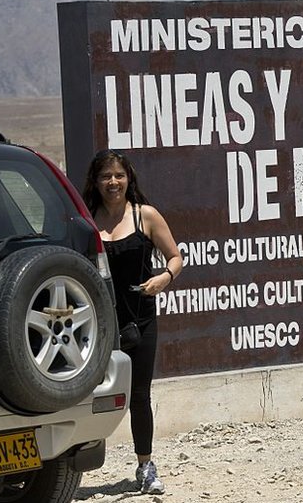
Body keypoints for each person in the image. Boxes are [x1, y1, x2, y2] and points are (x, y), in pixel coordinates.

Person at [82, 149, 183, 495]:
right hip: (97, 326)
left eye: (119, 176)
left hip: (140, 321)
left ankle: (145, 465)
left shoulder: (146, 216)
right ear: (96, 182)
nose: (113, 182)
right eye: (106, 176)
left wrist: (164, 278)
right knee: (84, 397)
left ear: (129, 179)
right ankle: (69, 469)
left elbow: (176, 257)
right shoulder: (86, 219)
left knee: (139, 396)